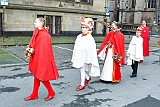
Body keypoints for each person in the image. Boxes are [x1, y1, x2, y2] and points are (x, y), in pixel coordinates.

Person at [24, 17, 59, 101]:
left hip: (42, 59)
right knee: (37, 75)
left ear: (41, 23)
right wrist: (29, 49)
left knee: (40, 76)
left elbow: (46, 50)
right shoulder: (37, 32)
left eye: (36, 22)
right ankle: (34, 94)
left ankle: (51, 92)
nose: (34, 23)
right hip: (37, 57)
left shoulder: (45, 35)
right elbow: (33, 44)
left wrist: (43, 61)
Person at [71, 17, 100, 91]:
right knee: (78, 67)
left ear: (88, 28)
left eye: (84, 27)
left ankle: (82, 84)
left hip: (85, 56)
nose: (82, 29)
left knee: (82, 69)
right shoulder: (79, 36)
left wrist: (86, 54)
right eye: (82, 27)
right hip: (79, 56)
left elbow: (90, 48)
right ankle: (87, 78)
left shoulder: (89, 37)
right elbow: (76, 46)